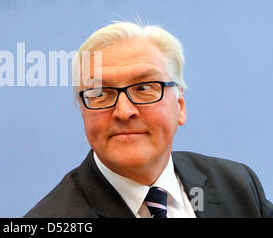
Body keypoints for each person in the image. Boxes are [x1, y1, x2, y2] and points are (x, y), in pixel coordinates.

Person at [24, 21, 272, 218]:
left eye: (144, 88)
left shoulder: (237, 185)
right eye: (101, 93)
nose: (124, 111)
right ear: (83, 111)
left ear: (181, 106)